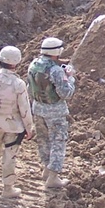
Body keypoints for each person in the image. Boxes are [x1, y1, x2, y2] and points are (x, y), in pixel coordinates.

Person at [0, 45, 35, 198]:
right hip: (12, 126)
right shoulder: (18, 84)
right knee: (9, 156)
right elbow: (24, 109)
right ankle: (8, 188)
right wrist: (29, 128)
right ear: (17, 62)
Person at [27, 37, 76, 189]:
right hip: (54, 111)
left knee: (43, 140)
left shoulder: (34, 64)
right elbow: (66, 93)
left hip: (38, 108)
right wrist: (70, 78)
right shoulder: (55, 70)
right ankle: (53, 177)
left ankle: (46, 169)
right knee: (58, 141)